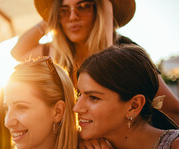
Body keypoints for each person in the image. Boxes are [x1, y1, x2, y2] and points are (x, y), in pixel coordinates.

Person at [11, 0, 179, 136]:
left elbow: (173, 110)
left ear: (99, 9)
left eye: (82, 6)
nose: (73, 17)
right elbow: (18, 52)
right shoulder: (57, 53)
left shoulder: (126, 50)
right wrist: (51, 18)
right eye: (64, 10)